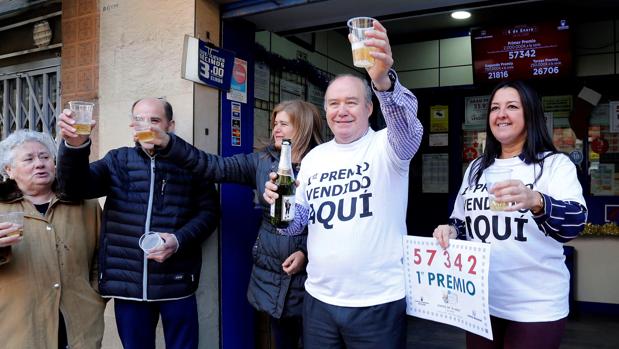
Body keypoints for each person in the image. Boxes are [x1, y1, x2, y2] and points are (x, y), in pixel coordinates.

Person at [263, 20, 423, 348]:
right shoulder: (314, 159)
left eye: (351, 102)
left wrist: (382, 80)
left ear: (369, 107)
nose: (342, 111)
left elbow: (410, 127)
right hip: (319, 299)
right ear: (326, 111)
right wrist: (281, 208)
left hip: (378, 301)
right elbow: (295, 226)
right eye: (334, 104)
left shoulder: (387, 146)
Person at [136, 99, 323, 348]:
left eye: (284, 124)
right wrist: (170, 144)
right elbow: (213, 166)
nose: (276, 129)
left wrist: (307, 254)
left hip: (315, 280)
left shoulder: (325, 165)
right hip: (272, 276)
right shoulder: (261, 161)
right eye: (275, 123)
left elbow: (337, 225)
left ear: (304, 126)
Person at [433, 80, 587, 349]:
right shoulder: (477, 167)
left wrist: (536, 201)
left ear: (530, 114)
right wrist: (451, 231)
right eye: (495, 108)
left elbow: (574, 223)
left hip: (535, 305)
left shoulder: (554, 165)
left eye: (512, 107)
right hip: (480, 300)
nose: (501, 114)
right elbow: (461, 221)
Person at [56, 98, 220, 349]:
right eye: (140, 120)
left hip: (176, 281)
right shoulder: (117, 160)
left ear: (170, 125)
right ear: (132, 125)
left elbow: (210, 213)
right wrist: (75, 146)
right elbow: (73, 189)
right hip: (128, 286)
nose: (147, 126)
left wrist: (178, 241)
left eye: (155, 120)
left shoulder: (191, 163)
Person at [0, 130, 105, 349]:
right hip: (18, 325)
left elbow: (103, 256)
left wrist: (95, 295)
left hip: (79, 322)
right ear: (9, 170)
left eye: (45, 157)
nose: (39, 164)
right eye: (29, 159)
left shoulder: (85, 204)